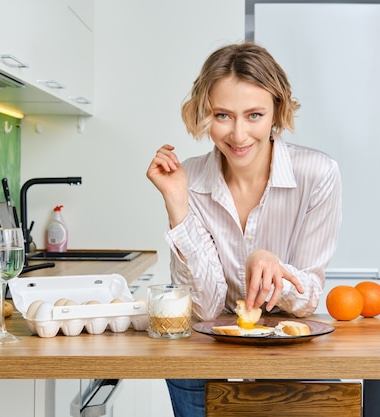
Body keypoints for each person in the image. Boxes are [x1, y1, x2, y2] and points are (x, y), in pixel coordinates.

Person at [146, 41, 342, 417]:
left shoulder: (318, 175)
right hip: (207, 357)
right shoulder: (188, 178)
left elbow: (308, 299)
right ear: (205, 113)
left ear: (276, 113)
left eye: (254, 115)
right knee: (188, 370)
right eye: (223, 115)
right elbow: (203, 308)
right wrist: (178, 205)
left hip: (287, 352)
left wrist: (271, 269)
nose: (238, 135)